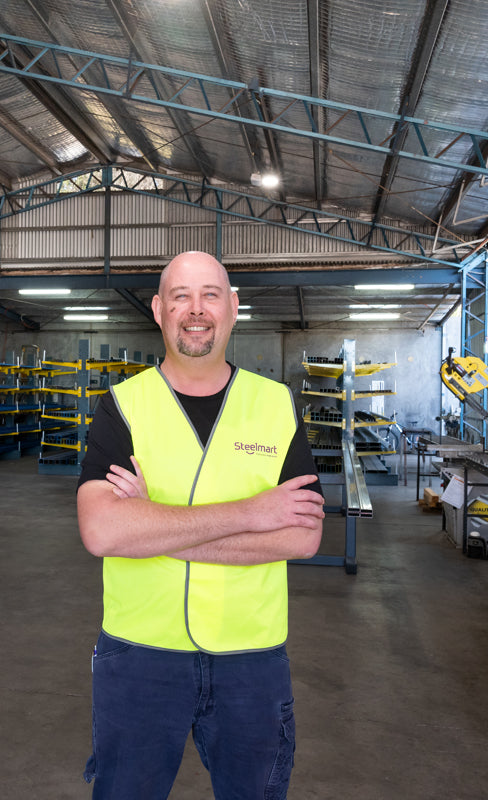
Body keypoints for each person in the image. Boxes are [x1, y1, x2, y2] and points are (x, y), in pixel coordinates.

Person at [76, 251, 325, 799]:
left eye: (210, 294)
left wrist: (154, 532)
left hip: (251, 657)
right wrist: (251, 513)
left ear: (233, 307)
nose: (196, 309)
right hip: (139, 653)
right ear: (159, 310)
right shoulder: (122, 406)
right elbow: (102, 532)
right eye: (181, 296)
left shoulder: (276, 405)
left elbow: (303, 536)